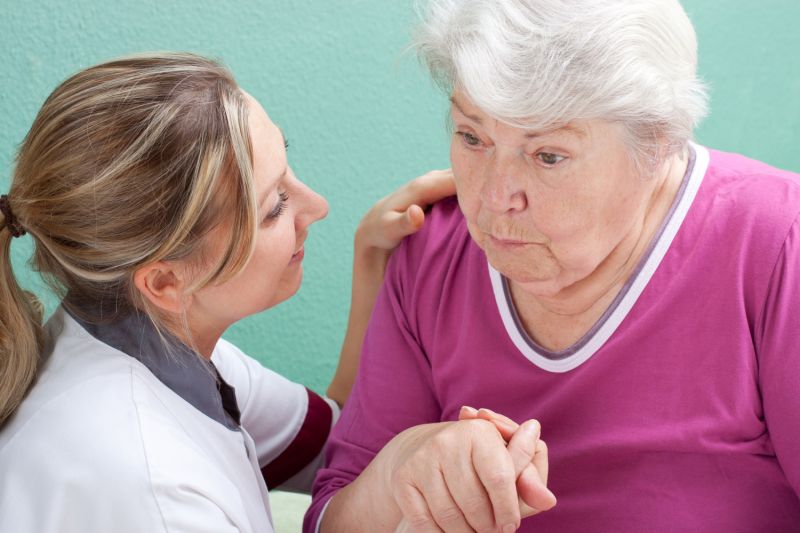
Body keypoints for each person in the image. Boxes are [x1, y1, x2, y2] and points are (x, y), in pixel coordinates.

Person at [0, 53, 548, 533]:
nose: (317, 206)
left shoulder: (167, 348)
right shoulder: (149, 489)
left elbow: (339, 435)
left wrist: (371, 260)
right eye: (276, 206)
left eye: (287, 168)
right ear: (166, 281)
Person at [308, 0, 800, 531]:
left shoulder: (777, 244)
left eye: (547, 155)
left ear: (656, 142)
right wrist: (401, 468)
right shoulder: (431, 250)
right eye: (472, 137)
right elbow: (330, 517)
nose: (496, 198)